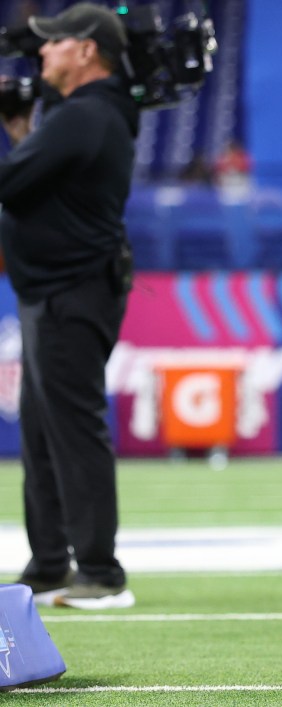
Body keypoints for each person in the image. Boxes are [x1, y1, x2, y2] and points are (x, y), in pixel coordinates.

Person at [2, 2, 138, 609]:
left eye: (53, 44)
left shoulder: (87, 113)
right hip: (56, 291)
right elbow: (37, 181)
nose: (41, 53)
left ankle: (101, 572)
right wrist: (17, 131)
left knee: (72, 429)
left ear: (86, 50)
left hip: (70, 291)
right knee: (42, 430)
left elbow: (11, 184)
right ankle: (51, 562)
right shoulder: (88, 112)